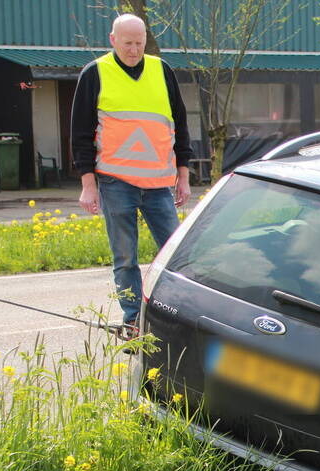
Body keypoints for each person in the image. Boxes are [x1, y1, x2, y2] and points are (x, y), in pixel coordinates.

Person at [71, 13, 192, 337]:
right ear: (113, 40)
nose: (134, 50)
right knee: (124, 258)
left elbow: (180, 124)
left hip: (159, 184)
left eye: (139, 43)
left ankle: (181, 316)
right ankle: (133, 321)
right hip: (115, 182)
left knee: (176, 254)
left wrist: (184, 175)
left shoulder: (161, 70)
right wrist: (88, 185)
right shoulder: (95, 73)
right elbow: (81, 134)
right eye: (127, 43)